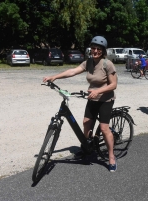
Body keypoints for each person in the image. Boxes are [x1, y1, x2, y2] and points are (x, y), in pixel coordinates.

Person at [43, 36, 118, 172]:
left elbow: (113, 85)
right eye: (93, 48)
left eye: (98, 49)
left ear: (103, 51)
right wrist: (55, 76)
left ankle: (112, 157)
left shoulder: (107, 64)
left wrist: (98, 91)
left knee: (104, 128)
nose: (95, 51)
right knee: (86, 122)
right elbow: (73, 71)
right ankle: (86, 147)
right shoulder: (88, 62)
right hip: (92, 98)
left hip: (106, 100)